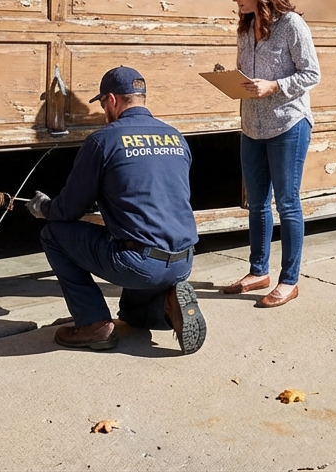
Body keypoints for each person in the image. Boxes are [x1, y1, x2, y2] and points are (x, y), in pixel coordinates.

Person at [26, 66, 206, 354]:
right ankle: (167, 303)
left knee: (54, 233)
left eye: (102, 104)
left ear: (111, 100)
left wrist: (43, 207)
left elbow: (69, 209)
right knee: (131, 316)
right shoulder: (175, 137)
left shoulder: (104, 140)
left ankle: (94, 325)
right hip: (183, 261)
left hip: (139, 263)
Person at [221, 0, 320, 308]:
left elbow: (312, 74)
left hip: (288, 124)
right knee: (257, 204)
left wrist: (274, 86)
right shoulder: (245, 28)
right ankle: (257, 271)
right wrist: (232, 82)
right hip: (251, 126)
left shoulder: (291, 24)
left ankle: (289, 280)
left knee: (288, 204)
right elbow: (247, 75)